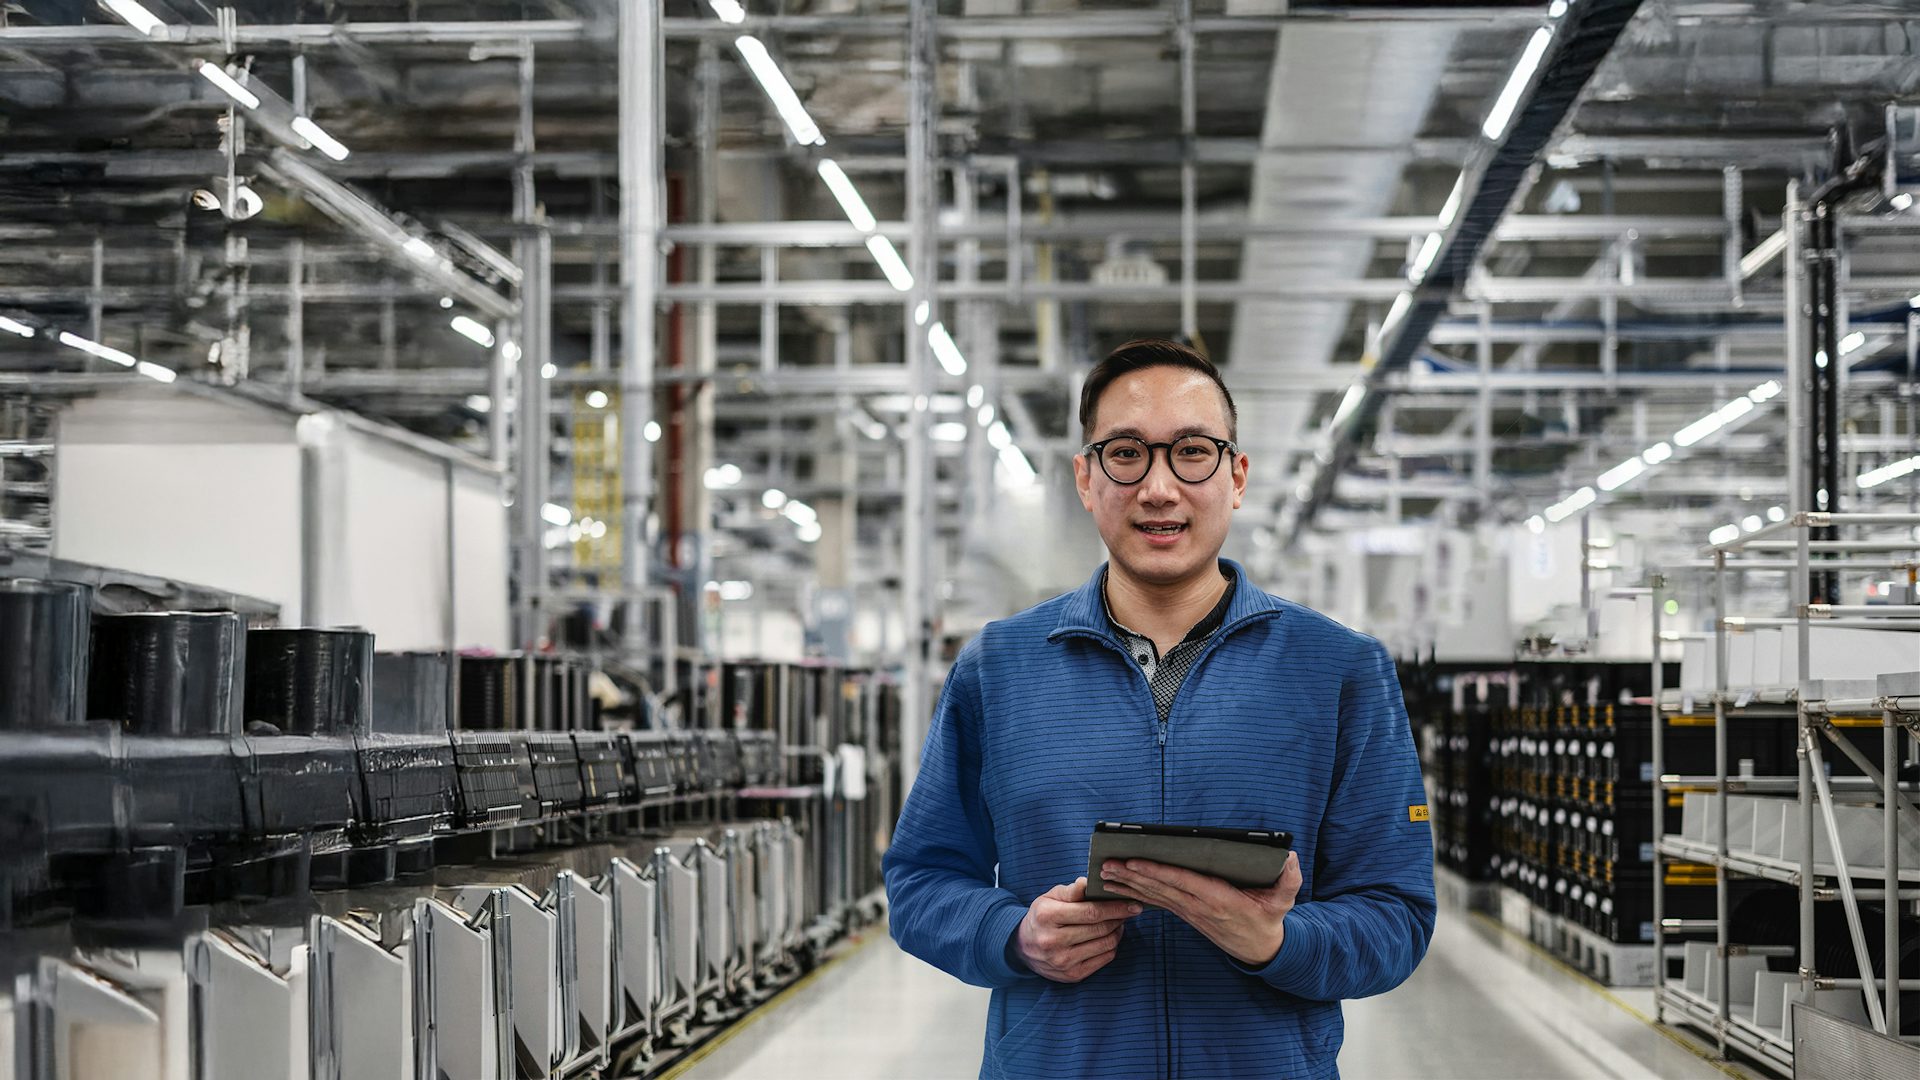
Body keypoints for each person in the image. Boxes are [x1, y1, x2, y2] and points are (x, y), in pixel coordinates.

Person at [882, 339, 1435, 1079]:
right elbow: (921, 881)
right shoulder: (1000, 666)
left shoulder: (1338, 670)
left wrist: (1277, 942)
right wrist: (1015, 936)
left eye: (1192, 452)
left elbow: (1396, 911)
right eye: (1126, 454)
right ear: (1085, 478)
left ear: (1236, 476)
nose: (1159, 487)